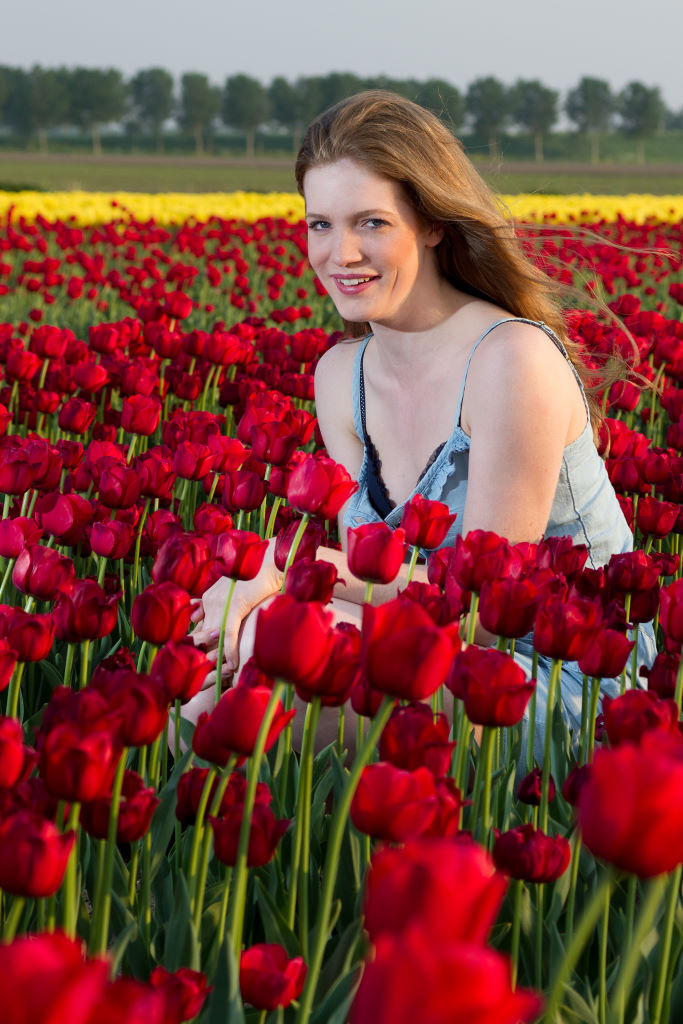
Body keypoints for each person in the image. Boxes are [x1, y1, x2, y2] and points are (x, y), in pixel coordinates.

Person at [188, 90, 656, 752]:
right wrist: (268, 594)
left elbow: (486, 618)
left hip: (560, 680)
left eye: (371, 223)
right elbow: (382, 589)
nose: (340, 253)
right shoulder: (339, 380)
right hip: (429, 653)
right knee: (224, 670)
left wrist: (283, 566)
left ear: (433, 224)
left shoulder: (509, 359)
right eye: (319, 224)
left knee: (257, 666)